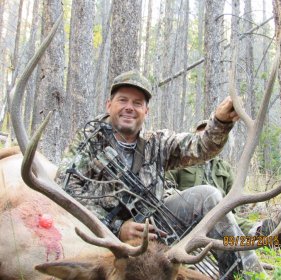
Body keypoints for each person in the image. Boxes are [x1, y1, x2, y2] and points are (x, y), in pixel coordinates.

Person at [56, 70, 265, 279]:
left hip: (155, 228)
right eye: (123, 100)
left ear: (146, 111)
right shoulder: (89, 141)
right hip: (104, 233)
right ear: (109, 105)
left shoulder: (157, 142)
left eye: (137, 103)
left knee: (209, 196)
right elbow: (65, 189)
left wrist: (220, 122)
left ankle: (245, 275)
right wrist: (118, 226)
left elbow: (201, 146)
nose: (129, 107)